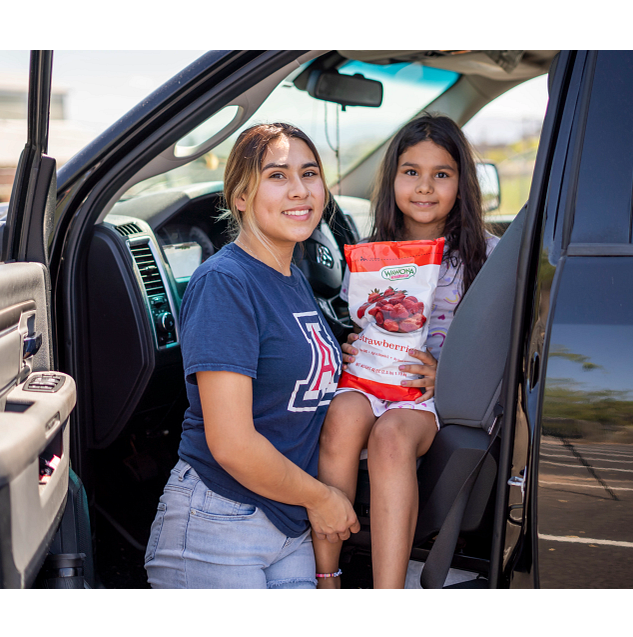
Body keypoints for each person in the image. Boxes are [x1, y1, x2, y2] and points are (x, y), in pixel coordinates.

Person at [144, 122, 359, 589]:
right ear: (240, 196)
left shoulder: (293, 278)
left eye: (310, 173)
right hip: (218, 521)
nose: (300, 190)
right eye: (278, 176)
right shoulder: (226, 283)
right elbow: (233, 444)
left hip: (287, 523)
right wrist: (323, 499)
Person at [312, 114, 499, 588]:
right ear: (392, 177)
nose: (425, 187)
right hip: (371, 380)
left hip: (432, 396)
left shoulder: (485, 257)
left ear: (463, 183)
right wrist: (355, 345)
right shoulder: (371, 254)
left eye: (442, 174)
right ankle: (326, 576)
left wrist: (451, 376)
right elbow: (366, 321)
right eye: (411, 171)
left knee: (390, 437)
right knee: (341, 417)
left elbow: (501, 349)